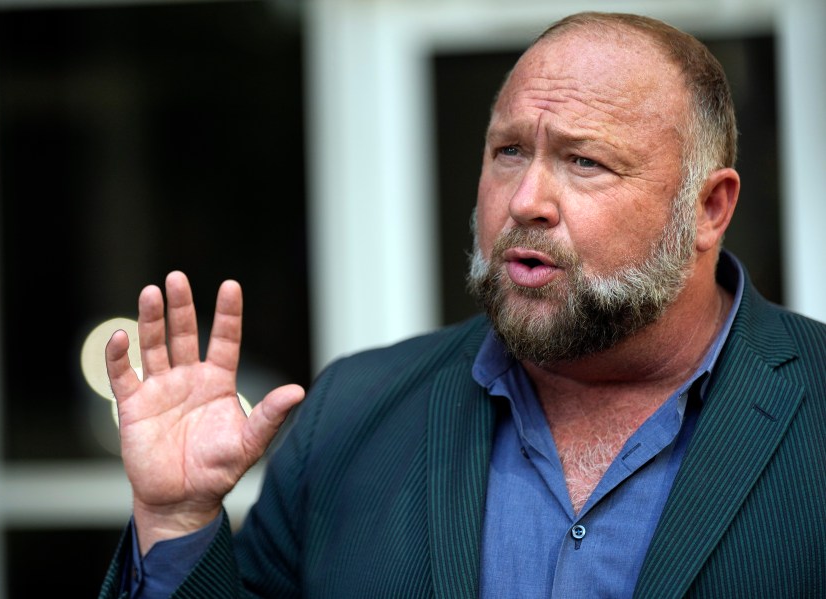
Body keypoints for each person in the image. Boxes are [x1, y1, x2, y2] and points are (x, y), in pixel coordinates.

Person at [98, 11, 826, 598]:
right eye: (509, 151)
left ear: (708, 207)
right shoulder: (352, 414)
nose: (526, 200)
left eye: (584, 161)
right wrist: (178, 519)